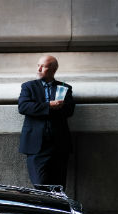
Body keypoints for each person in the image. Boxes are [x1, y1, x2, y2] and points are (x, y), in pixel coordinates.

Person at [18, 55, 75, 191]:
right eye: (38, 65)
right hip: (36, 145)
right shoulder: (29, 87)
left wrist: (55, 107)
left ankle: (57, 212)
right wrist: (49, 105)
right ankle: (44, 210)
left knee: (58, 187)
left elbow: (69, 110)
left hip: (58, 145)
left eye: (43, 66)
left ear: (53, 69)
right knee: (40, 184)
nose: (39, 69)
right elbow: (24, 107)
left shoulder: (64, 88)